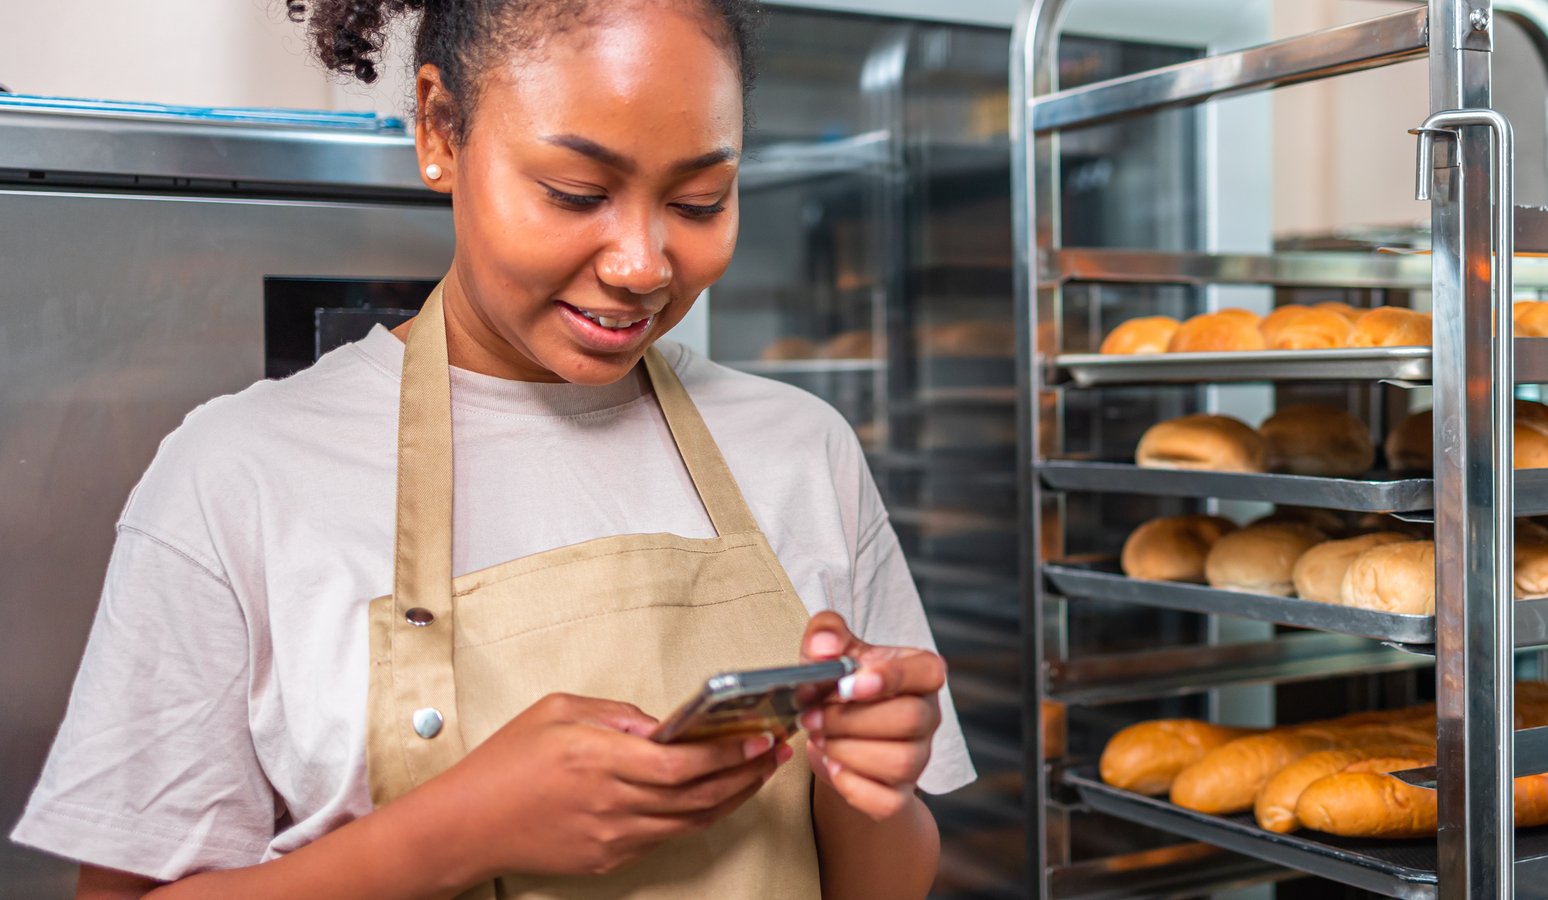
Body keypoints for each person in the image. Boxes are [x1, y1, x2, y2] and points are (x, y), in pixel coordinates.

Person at [11, 0, 973, 896]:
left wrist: (866, 779)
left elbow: (881, 880)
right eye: (575, 191)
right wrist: (462, 830)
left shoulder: (802, 449)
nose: (642, 265)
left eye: (699, 201)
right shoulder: (236, 476)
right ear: (440, 129)